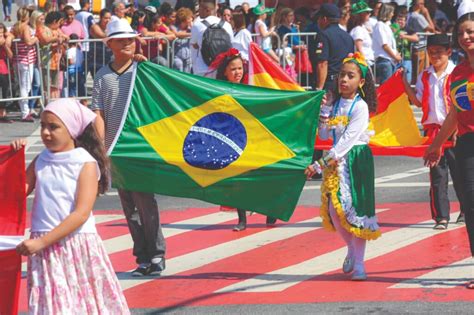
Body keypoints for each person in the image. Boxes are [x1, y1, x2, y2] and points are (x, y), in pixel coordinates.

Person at [11, 98, 129, 314]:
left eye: (53, 127)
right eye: (43, 126)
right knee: (54, 305)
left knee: (81, 303)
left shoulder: (84, 162)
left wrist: (41, 242)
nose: (46, 132)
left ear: (72, 129)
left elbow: (81, 213)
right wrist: (14, 157)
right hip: (45, 247)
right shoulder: (41, 159)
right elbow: (16, 192)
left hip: (74, 243)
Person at [90, 19, 166, 277]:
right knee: (129, 207)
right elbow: (98, 113)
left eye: (130, 39)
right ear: (109, 43)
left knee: (146, 202)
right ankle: (142, 256)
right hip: (116, 151)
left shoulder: (143, 70)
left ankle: (157, 254)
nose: (127, 43)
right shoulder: (102, 76)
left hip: (140, 149)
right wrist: (101, 148)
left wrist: (147, 69)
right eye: (121, 39)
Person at [305, 52, 380, 281]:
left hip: (355, 160)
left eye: (350, 76)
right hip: (336, 162)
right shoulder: (336, 103)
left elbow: (348, 141)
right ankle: (350, 249)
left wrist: (320, 164)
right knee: (335, 213)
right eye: (341, 76)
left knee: (356, 213)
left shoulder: (361, 108)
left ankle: (359, 264)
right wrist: (324, 113)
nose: (344, 80)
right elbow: (326, 134)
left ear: (361, 82)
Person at [424, 9, 474, 289]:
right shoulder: (458, 73)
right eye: (462, 33)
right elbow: (455, 113)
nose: (466, 37)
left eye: (471, 31)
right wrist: (435, 145)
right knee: (471, 205)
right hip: (467, 143)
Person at [209, 48, 278, 230]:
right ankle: (242, 220)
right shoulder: (218, 90)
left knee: (259, 177)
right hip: (232, 139)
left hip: (252, 138)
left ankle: (270, 208)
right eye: (233, 69)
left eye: (240, 68)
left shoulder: (250, 88)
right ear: (225, 71)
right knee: (238, 180)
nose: (237, 72)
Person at [404, 34, 466, 229]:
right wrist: (404, 84)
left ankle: (465, 210)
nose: (435, 56)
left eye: (439, 52)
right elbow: (418, 101)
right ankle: (441, 216)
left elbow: (462, 104)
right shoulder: (425, 76)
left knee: (460, 173)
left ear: (448, 52)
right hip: (433, 131)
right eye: (431, 53)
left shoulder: (456, 72)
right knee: (437, 175)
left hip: (456, 130)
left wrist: (458, 126)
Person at [313, 3, 354, 91]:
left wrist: (319, 89)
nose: (317, 21)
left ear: (324, 19)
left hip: (329, 84)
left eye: (318, 18)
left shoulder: (323, 35)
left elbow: (323, 63)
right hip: (345, 83)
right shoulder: (348, 36)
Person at [190, 0, 233, 76]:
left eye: (200, 8)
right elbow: (231, 45)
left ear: (207, 10)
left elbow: (194, 45)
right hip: (223, 68)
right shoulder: (227, 25)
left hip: (203, 69)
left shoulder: (197, 24)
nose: (198, 10)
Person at [12, 6, 39, 122]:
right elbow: (28, 41)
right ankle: (25, 112)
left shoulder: (15, 27)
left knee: (24, 86)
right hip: (26, 60)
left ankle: (24, 110)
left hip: (18, 60)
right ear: (26, 16)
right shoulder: (25, 27)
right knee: (26, 87)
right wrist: (35, 39)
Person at [407, 0, 437, 84]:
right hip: (421, 47)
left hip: (415, 47)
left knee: (415, 75)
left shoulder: (409, 15)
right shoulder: (418, 17)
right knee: (421, 74)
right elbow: (432, 29)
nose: (423, 6)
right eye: (421, 4)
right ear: (416, 5)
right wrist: (427, 14)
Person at [373, 3, 401, 84]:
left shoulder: (385, 26)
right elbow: (384, 45)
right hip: (385, 61)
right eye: (391, 12)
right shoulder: (379, 25)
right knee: (386, 88)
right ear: (387, 12)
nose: (392, 14)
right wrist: (395, 56)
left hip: (390, 61)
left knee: (390, 87)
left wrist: (396, 55)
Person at [349, 0, 374, 67]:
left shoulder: (362, 28)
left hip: (368, 62)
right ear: (361, 15)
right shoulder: (358, 30)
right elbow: (358, 50)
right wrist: (364, 64)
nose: (370, 14)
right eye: (367, 12)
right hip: (364, 63)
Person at [88, 8, 112, 77]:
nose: (108, 20)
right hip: (96, 62)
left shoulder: (110, 28)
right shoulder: (94, 26)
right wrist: (114, 35)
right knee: (99, 84)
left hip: (108, 60)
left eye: (109, 18)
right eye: (105, 18)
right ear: (100, 18)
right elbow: (102, 35)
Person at [172, 7, 193, 73]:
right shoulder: (174, 27)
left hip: (188, 57)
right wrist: (190, 34)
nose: (191, 19)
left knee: (187, 76)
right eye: (189, 18)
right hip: (177, 57)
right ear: (184, 20)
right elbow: (177, 34)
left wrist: (192, 26)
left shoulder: (190, 28)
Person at [0, 22, 12, 123]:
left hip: (3, 68)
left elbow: (10, 55)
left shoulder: (4, 42)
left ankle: (3, 113)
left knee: (5, 92)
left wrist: (5, 45)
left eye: (1, 33)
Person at [66, 33, 84, 98]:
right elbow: (82, 60)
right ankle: (83, 102)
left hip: (72, 71)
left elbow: (71, 61)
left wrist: (66, 63)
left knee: (72, 88)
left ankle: (71, 102)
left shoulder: (69, 51)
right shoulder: (79, 51)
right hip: (79, 70)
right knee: (80, 87)